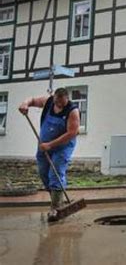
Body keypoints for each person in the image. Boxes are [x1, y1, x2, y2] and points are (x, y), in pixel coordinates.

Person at [18, 88, 80, 222]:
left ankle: (56, 208)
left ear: (67, 99)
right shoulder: (48, 101)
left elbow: (72, 133)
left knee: (55, 172)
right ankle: (57, 200)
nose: (60, 105)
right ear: (54, 98)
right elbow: (32, 100)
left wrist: (51, 145)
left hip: (62, 147)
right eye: (58, 103)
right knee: (43, 173)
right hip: (44, 145)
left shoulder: (73, 111)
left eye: (63, 103)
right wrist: (25, 104)